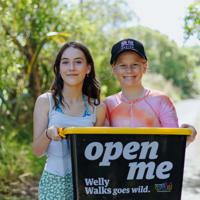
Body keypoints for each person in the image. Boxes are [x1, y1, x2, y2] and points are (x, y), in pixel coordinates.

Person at [33, 41, 106, 200]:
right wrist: (48, 134)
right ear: (59, 68)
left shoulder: (97, 108)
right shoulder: (46, 101)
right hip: (54, 182)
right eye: (65, 62)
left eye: (78, 62)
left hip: (87, 185)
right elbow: (37, 151)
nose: (71, 67)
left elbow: (99, 157)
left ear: (88, 68)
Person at [104, 38, 197, 144]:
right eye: (122, 65)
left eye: (135, 64)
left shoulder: (161, 100)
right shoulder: (107, 104)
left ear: (144, 66)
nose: (129, 70)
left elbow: (173, 145)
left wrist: (186, 137)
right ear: (114, 69)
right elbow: (100, 146)